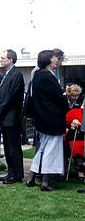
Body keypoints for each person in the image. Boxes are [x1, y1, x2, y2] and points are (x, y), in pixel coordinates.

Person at [26, 50, 68, 191]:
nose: (56, 59)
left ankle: (32, 178)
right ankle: (45, 182)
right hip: (52, 119)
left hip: (42, 119)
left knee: (42, 149)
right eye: (53, 57)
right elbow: (58, 98)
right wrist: (64, 98)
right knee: (51, 151)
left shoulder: (37, 75)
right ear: (49, 60)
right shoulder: (47, 77)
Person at [0, 49, 25, 184]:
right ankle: (11, 172)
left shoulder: (16, 74)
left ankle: (17, 175)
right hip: (6, 117)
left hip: (12, 117)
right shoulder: (7, 74)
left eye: (3, 58)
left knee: (13, 148)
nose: (1, 61)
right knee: (7, 147)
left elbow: (11, 96)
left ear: (11, 59)